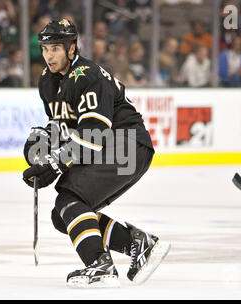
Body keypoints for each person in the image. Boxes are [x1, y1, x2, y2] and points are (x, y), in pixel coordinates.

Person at [22, 19, 170, 288]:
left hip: (127, 144)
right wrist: (42, 145)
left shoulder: (87, 75)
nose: (48, 55)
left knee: (70, 197)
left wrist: (55, 166)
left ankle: (99, 265)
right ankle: (138, 243)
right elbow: (63, 126)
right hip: (117, 145)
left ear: (71, 48)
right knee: (63, 215)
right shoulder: (47, 80)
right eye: (45, 49)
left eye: (55, 48)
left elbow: (94, 136)